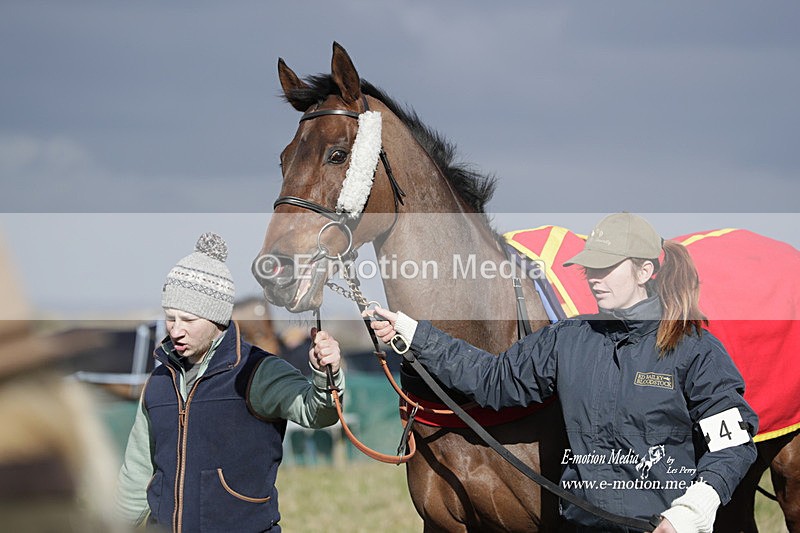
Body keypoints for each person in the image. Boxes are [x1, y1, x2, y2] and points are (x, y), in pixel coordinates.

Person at [367, 213, 758, 533]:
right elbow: (491, 379)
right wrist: (413, 333)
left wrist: (690, 512)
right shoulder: (567, 339)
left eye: (606, 267)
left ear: (644, 271)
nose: (593, 277)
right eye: (590, 268)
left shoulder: (697, 351)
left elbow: (733, 443)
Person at [116, 232, 345, 532]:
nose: (176, 331)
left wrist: (325, 374)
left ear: (217, 319)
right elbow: (136, 476)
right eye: (171, 318)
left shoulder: (258, 370)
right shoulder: (159, 382)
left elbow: (318, 412)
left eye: (188, 320)